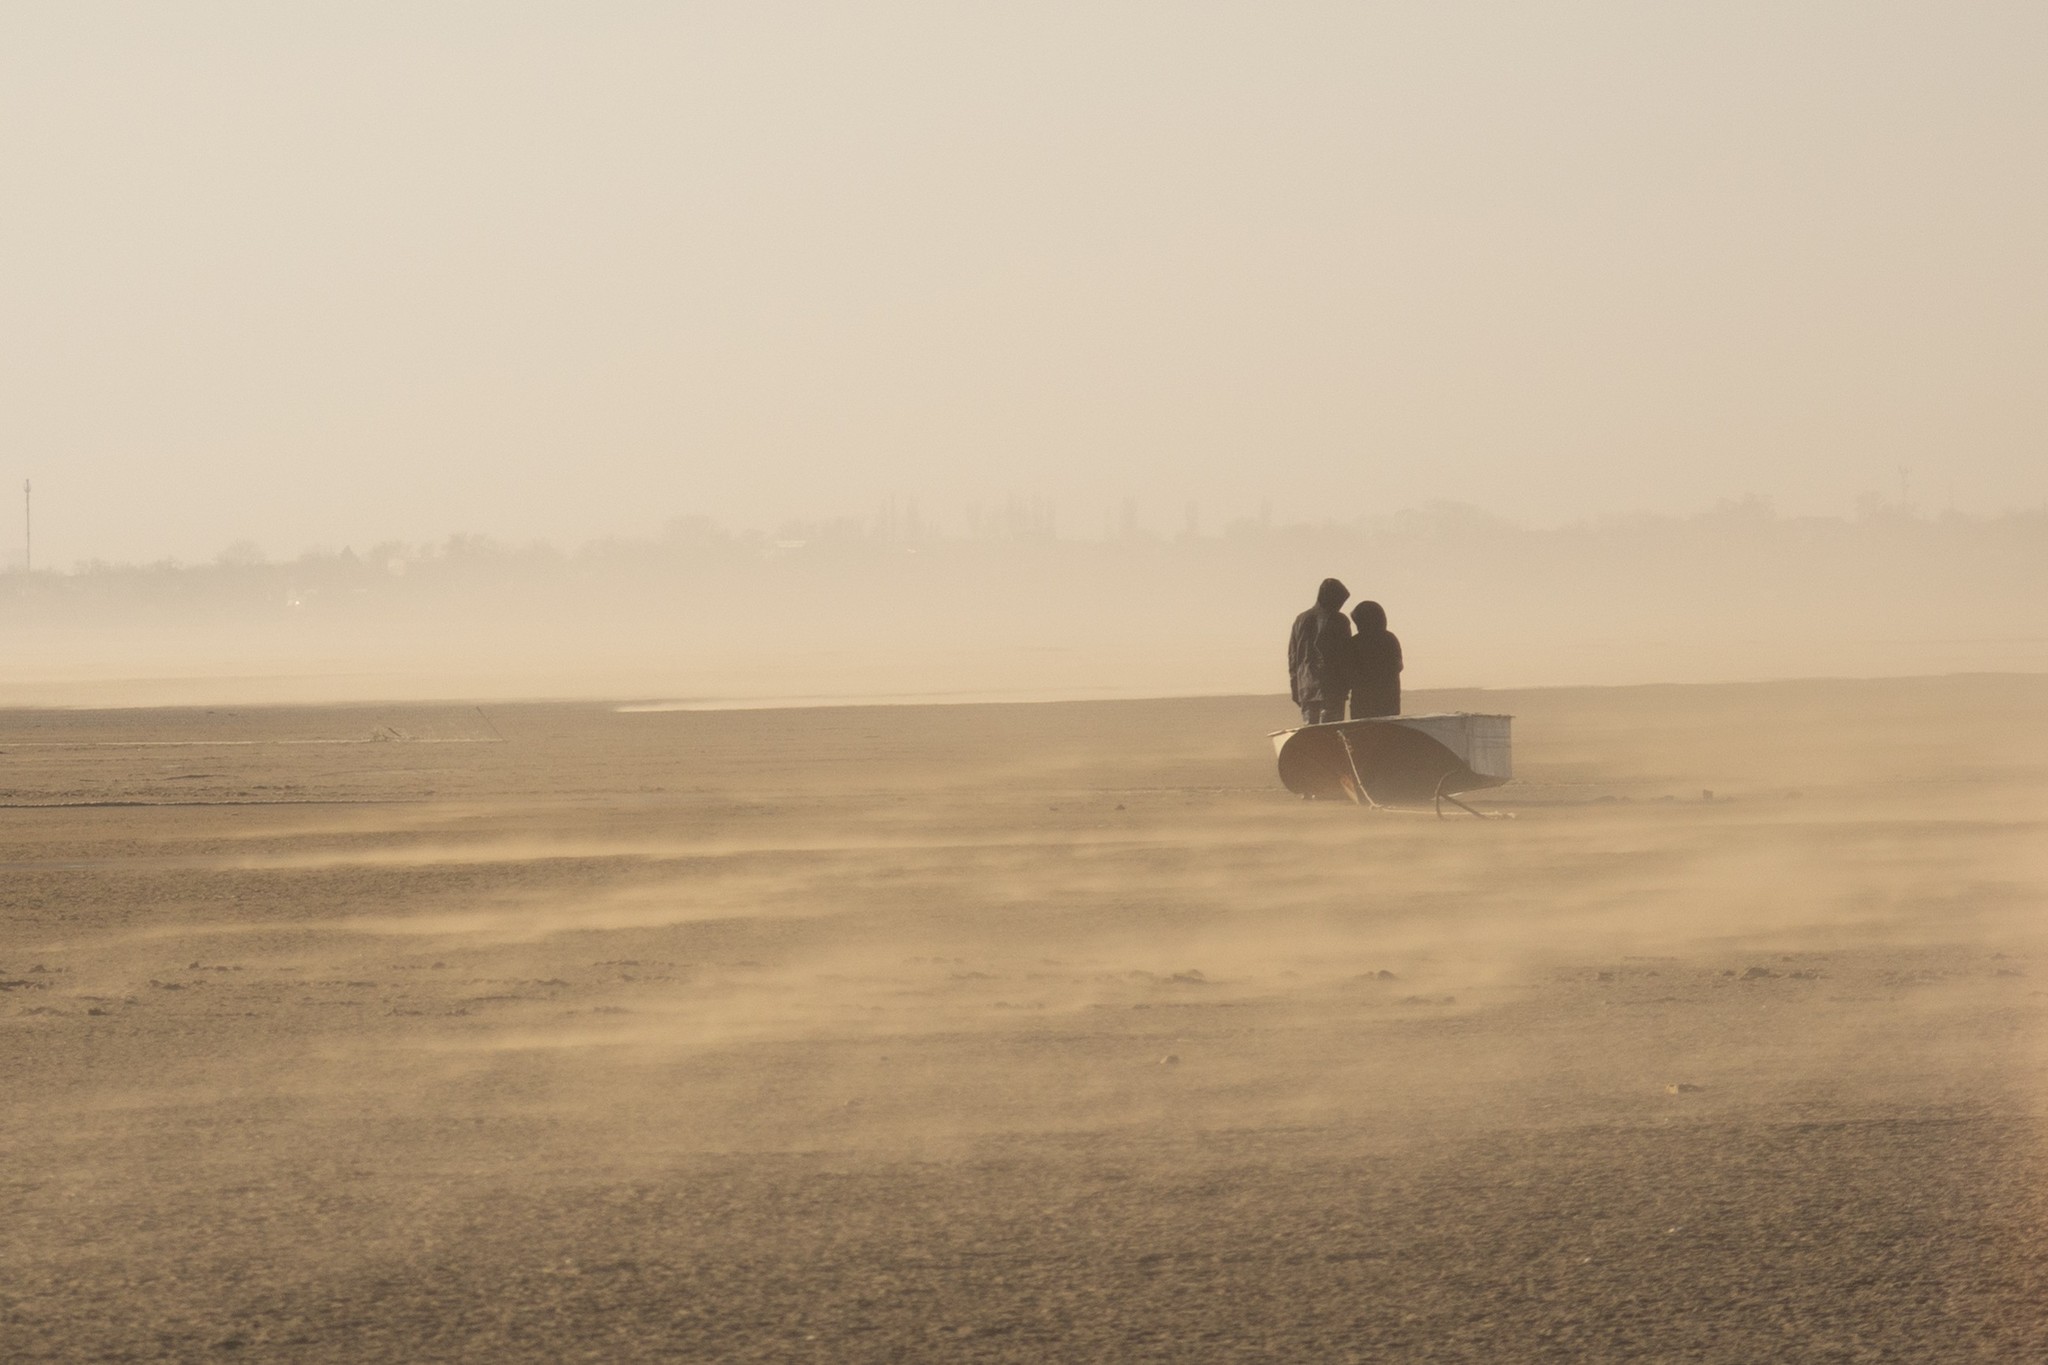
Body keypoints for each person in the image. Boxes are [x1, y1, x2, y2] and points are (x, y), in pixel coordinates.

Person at [1288, 578, 1352, 724]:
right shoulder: (1339, 620)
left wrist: (1296, 687)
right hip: (1331, 689)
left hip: (1306, 689)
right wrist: (1346, 685)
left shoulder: (1300, 620)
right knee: (1330, 736)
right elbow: (1345, 655)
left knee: (1312, 738)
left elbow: (1293, 657)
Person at [1346, 600, 1403, 718]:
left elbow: (1349, 671)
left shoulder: (1354, 642)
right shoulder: (1389, 639)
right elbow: (1398, 666)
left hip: (1363, 702)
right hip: (1388, 699)